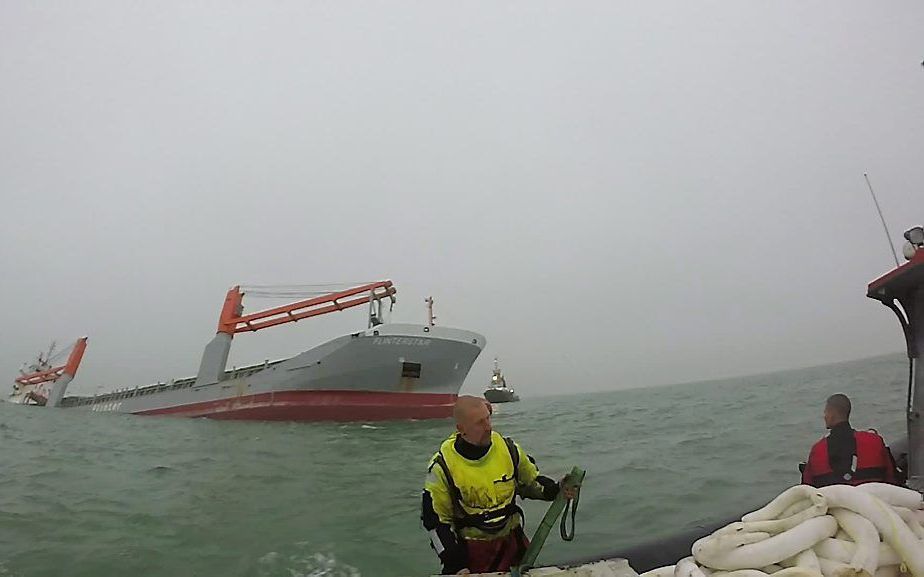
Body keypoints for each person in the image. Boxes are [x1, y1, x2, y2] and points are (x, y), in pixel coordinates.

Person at [421, 396, 576, 574]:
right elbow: (436, 523)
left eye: (488, 418)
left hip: (514, 548)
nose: (488, 427)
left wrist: (558, 488)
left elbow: (532, 483)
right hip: (472, 555)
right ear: (461, 429)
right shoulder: (442, 466)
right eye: (480, 423)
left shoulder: (508, 449)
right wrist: (456, 565)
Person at [801, 393, 901, 487]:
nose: (824, 416)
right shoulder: (875, 441)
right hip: (871, 501)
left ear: (832, 414)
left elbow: (807, 488)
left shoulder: (817, 450)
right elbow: (892, 479)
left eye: (825, 412)